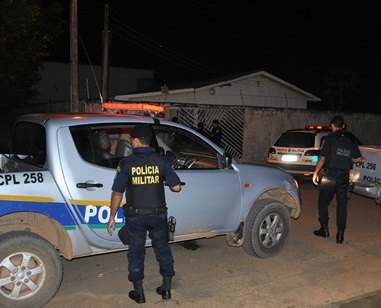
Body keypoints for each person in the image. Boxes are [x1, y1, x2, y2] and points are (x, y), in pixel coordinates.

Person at [107, 124, 182, 304]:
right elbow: (176, 187)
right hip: (158, 215)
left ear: (135, 141)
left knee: (135, 252)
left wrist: (112, 216)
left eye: (131, 139)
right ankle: (166, 290)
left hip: (136, 216)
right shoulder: (162, 161)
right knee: (162, 249)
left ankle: (139, 294)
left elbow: (117, 192)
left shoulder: (126, 163)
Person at [312, 115, 363, 244]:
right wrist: (348, 158)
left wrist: (315, 173)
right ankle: (340, 236)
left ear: (332, 126)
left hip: (330, 175)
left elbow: (322, 158)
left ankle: (324, 230)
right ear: (343, 126)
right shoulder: (351, 140)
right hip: (344, 177)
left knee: (323, 203)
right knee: (342, 206)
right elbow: (358, 159)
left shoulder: (329, 139)